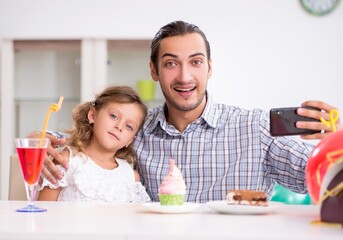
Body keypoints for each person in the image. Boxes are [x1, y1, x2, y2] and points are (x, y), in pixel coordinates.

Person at [31, 21, 342, 203]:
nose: (183, 76)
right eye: (170, 63)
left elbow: (325, 177)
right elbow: (75, 144)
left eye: (195, 62)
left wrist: (336, 142)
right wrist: (41, 142)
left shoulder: (255, 127)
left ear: (209, 68)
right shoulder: (136, 128)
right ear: (153, 70)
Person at [37, 86, 151, 203]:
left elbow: (136, 219)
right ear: (92, 115)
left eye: (129, 126)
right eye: (114, 116)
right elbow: (43, 213)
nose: (119, 126)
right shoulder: (67, 162)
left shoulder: (131, 177)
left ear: (130, 140)